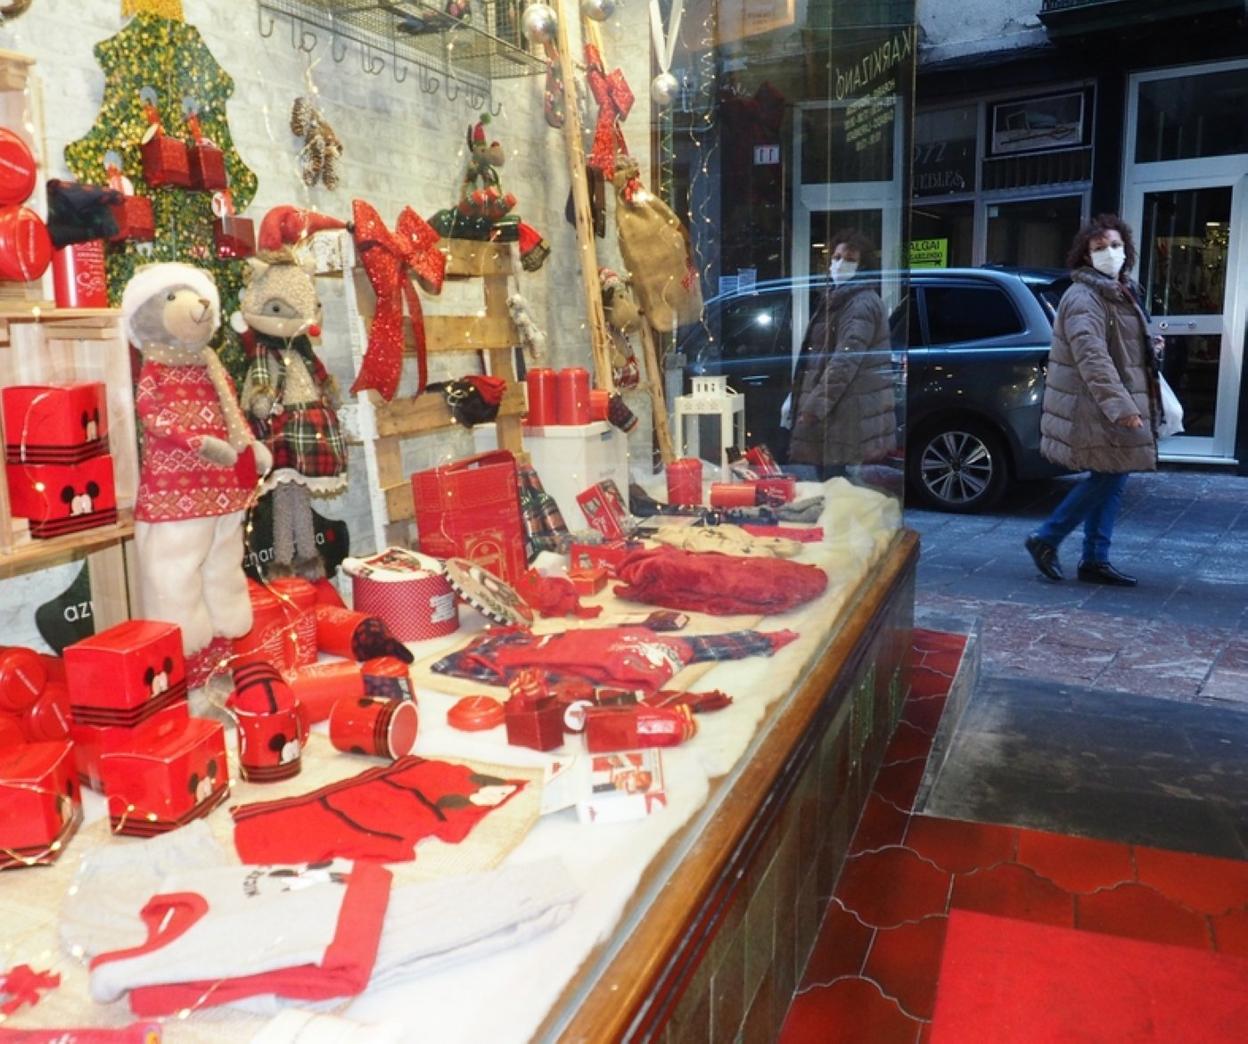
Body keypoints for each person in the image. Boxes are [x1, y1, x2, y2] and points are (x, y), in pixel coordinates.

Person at [1025, 214, 1160, 586]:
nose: (1109, 253)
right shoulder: (1084, 296)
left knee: (1113, 474)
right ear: (1085, 256)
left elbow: (1121, 345)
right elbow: (1092, 356)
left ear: (1126, 249)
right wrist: (1121, 407)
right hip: (1098, 404)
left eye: (1115, 246)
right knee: (1109, 475)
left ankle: (1095, 559)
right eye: (1099, 248)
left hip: (1112, 399)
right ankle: (1047, 538)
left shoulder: (1121, 290)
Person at [786, 230, 896, 479]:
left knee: (838, 485)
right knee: (836, 485)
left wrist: (812, 407)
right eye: (835, 258)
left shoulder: (858, 304)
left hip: (844, 416)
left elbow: (844, 362)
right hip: (839, 411)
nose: (838, 265)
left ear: (863, 265)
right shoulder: (840, 299)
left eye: (849, 259)